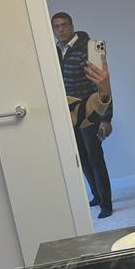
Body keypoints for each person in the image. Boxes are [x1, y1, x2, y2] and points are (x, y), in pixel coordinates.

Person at [51, 11, 114, 219]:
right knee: (82, 157)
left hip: (91, 113)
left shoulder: (87, 49)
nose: (61, 29)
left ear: (72, 26)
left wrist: (106, 118)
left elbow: (103, 85)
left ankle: (106, 203)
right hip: (70, 115)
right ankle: (96, 195)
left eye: (64, 25)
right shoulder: (55, 52)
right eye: (56, 26)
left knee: (95, 157)